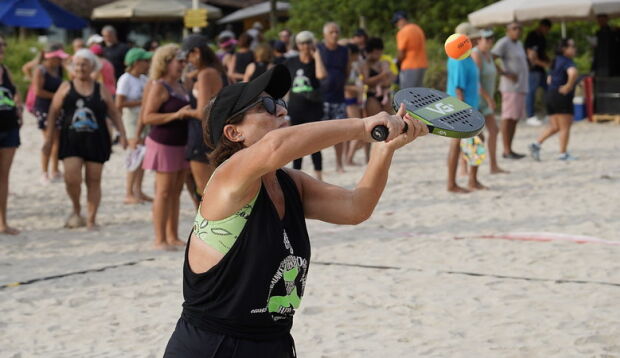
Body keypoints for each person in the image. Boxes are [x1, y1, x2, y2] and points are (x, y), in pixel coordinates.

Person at [162, 64, 427, 357]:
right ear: (234, 132)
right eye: (266, 106)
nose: (280, 111)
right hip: (212, 345)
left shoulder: (289, 183)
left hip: (273, 341)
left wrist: (383, 151)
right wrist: (364, 126)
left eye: (280, 103)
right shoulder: (227, 179)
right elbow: (276, 146)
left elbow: (355, 208)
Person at [43, 49, 127, 229]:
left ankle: (91, 218)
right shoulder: (66, 87)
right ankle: (76, 207)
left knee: (94, 179)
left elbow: (113, 112)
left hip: (96, 140)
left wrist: (123, 134)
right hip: (71, 140)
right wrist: (49, 138)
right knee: (71, 178)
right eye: (77, 64)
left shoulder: (100, 88)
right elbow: (53, 112)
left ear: (92, 67)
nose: (80, 68)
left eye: (84, 64)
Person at [141, 44, 193, 250]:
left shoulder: (181, 85)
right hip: (163, 143)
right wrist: (176, 115)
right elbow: (148, 116)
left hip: (181, 143)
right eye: (178, 61)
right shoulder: (159, 86)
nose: (183, 65)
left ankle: (172, 235)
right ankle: (159, 238)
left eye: (183, 61)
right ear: (166, 62)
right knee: (163, 192)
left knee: (176, 192)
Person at [181, 34, 228, 204]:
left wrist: (185, 112)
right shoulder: (219, 71)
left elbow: (202, 112)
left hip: (200, 135)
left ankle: (206, 227)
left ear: (197, 52)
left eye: (188, 56)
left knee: (204, 190)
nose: (187, 61)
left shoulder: (206, 74)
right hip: (215, 134)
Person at [446, 23, 486, 192]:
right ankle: (453, 183)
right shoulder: (459, 57)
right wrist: (464, 112)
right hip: (460, 107)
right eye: (476, 37)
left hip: (469, 106)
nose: (479, 39)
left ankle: (471, 179)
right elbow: (458, 88)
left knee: (476, 141)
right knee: (458, 144)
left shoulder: (467, 56)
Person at [285, 31, 326, 180]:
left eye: (308, 42)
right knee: (297, 144)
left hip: (313, 108)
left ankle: (319, 177)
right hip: (296, 108)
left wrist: (317, 56)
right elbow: (285, 84)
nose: (305, 46)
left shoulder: (317, 61)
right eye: (302, 43)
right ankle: (296, 176)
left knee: (315, 144)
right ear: (297, 45)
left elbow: (321, 76)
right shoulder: (291, 62)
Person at [529, 38, 579, 161]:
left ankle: (536, 144)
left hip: (550, 95)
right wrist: (569, 85)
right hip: (561, 96)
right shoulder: (567, 61)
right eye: (572, 47)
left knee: (555, 126)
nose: (574, 49)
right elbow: (573, 73)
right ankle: (563, 153)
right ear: (564, 49)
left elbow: (549, 79)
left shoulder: (555, 61)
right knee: (565, 126)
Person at [116, 48, 152, 204]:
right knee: (135, 155)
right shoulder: (125, 79)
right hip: (131, 121)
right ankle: (129, 192)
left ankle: (138, 190)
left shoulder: (143, 78)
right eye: (145, 61)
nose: (148, 63)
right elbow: (119, 103)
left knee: (143, 156)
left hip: (143, 121)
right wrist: (142, 102)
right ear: (136, 62)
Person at [471, 29, 507, 175]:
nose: (490, 41)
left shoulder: (489, 55)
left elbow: (496, 71)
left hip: (487, 100)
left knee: (494, 131)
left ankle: (493, 165)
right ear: (479, 40)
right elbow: (476, 81)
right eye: (487, 39)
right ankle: (466, 168)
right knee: (474, 136)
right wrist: (488, 98)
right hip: (477, 100)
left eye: (491, 39)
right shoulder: (476, 54)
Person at [492, 22, 529, 159]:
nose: (517, 31)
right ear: (507, 30)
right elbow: (491, 57)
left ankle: (510, 148)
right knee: (508, 117)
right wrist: (504, 73)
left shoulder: (518, 44)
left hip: (520, 86)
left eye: (519, 28)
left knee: (515, 118)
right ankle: (506, 150)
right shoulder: (504, 42)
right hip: (510, 88)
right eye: (514, 28)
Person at [33, 43, 69, 184]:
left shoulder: (58, 69)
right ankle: (44, 172)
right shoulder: (41, 70)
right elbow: (38, 91)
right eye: (59, 58)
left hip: (56, 108)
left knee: (57, 141)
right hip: (44, 109)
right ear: (51, 57)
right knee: (49, 140)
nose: (61, 60)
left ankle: (55, 170)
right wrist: (57, 96)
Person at [317, 22, 350, 173]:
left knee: (340, 133)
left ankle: (339, 163)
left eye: (337, 32)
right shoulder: (319, 49)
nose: (335, 35)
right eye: (331, 32)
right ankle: (319, 167)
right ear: (325, 35)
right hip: (321, 97)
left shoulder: (344, 50)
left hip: (338, 97)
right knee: (318, 134)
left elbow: (347, 71)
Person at [0, 35, 23, 235]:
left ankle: (3, 222)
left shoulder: (5, 70)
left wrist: (18, 106)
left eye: (2, 45)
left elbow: (15, 92)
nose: (1, 49)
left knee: (4, 177)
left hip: (9, 127)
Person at [524, 19, 552, 126]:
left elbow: (542, 53)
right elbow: (532, 57)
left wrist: (551, 62)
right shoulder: (532, 36)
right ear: (542, 26)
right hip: (532, 69)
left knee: (548, 90)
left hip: (541, 69)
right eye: (547, 29)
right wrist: (546, 64)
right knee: (531, 92)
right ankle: (530, 116)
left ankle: (548, 114)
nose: (547, 32)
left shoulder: (542, 38)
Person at [344, 43, 367, 165]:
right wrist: (357, 89)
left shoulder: (353, 66)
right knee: (357, 131)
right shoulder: (347, 67)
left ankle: (348, 157)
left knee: (354, 131)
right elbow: (344, 86)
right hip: (349, 100)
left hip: (354, 100)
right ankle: (349, 159)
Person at [393, 10, 428, 88]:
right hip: (422, 65)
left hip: (409, 67)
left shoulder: (403, 31)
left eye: (396, 21)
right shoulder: (417, 28)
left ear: (402, 19)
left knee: (407, 94)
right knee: (419, 93)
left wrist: (395, 61)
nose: (396, 24)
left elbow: (401, 54)